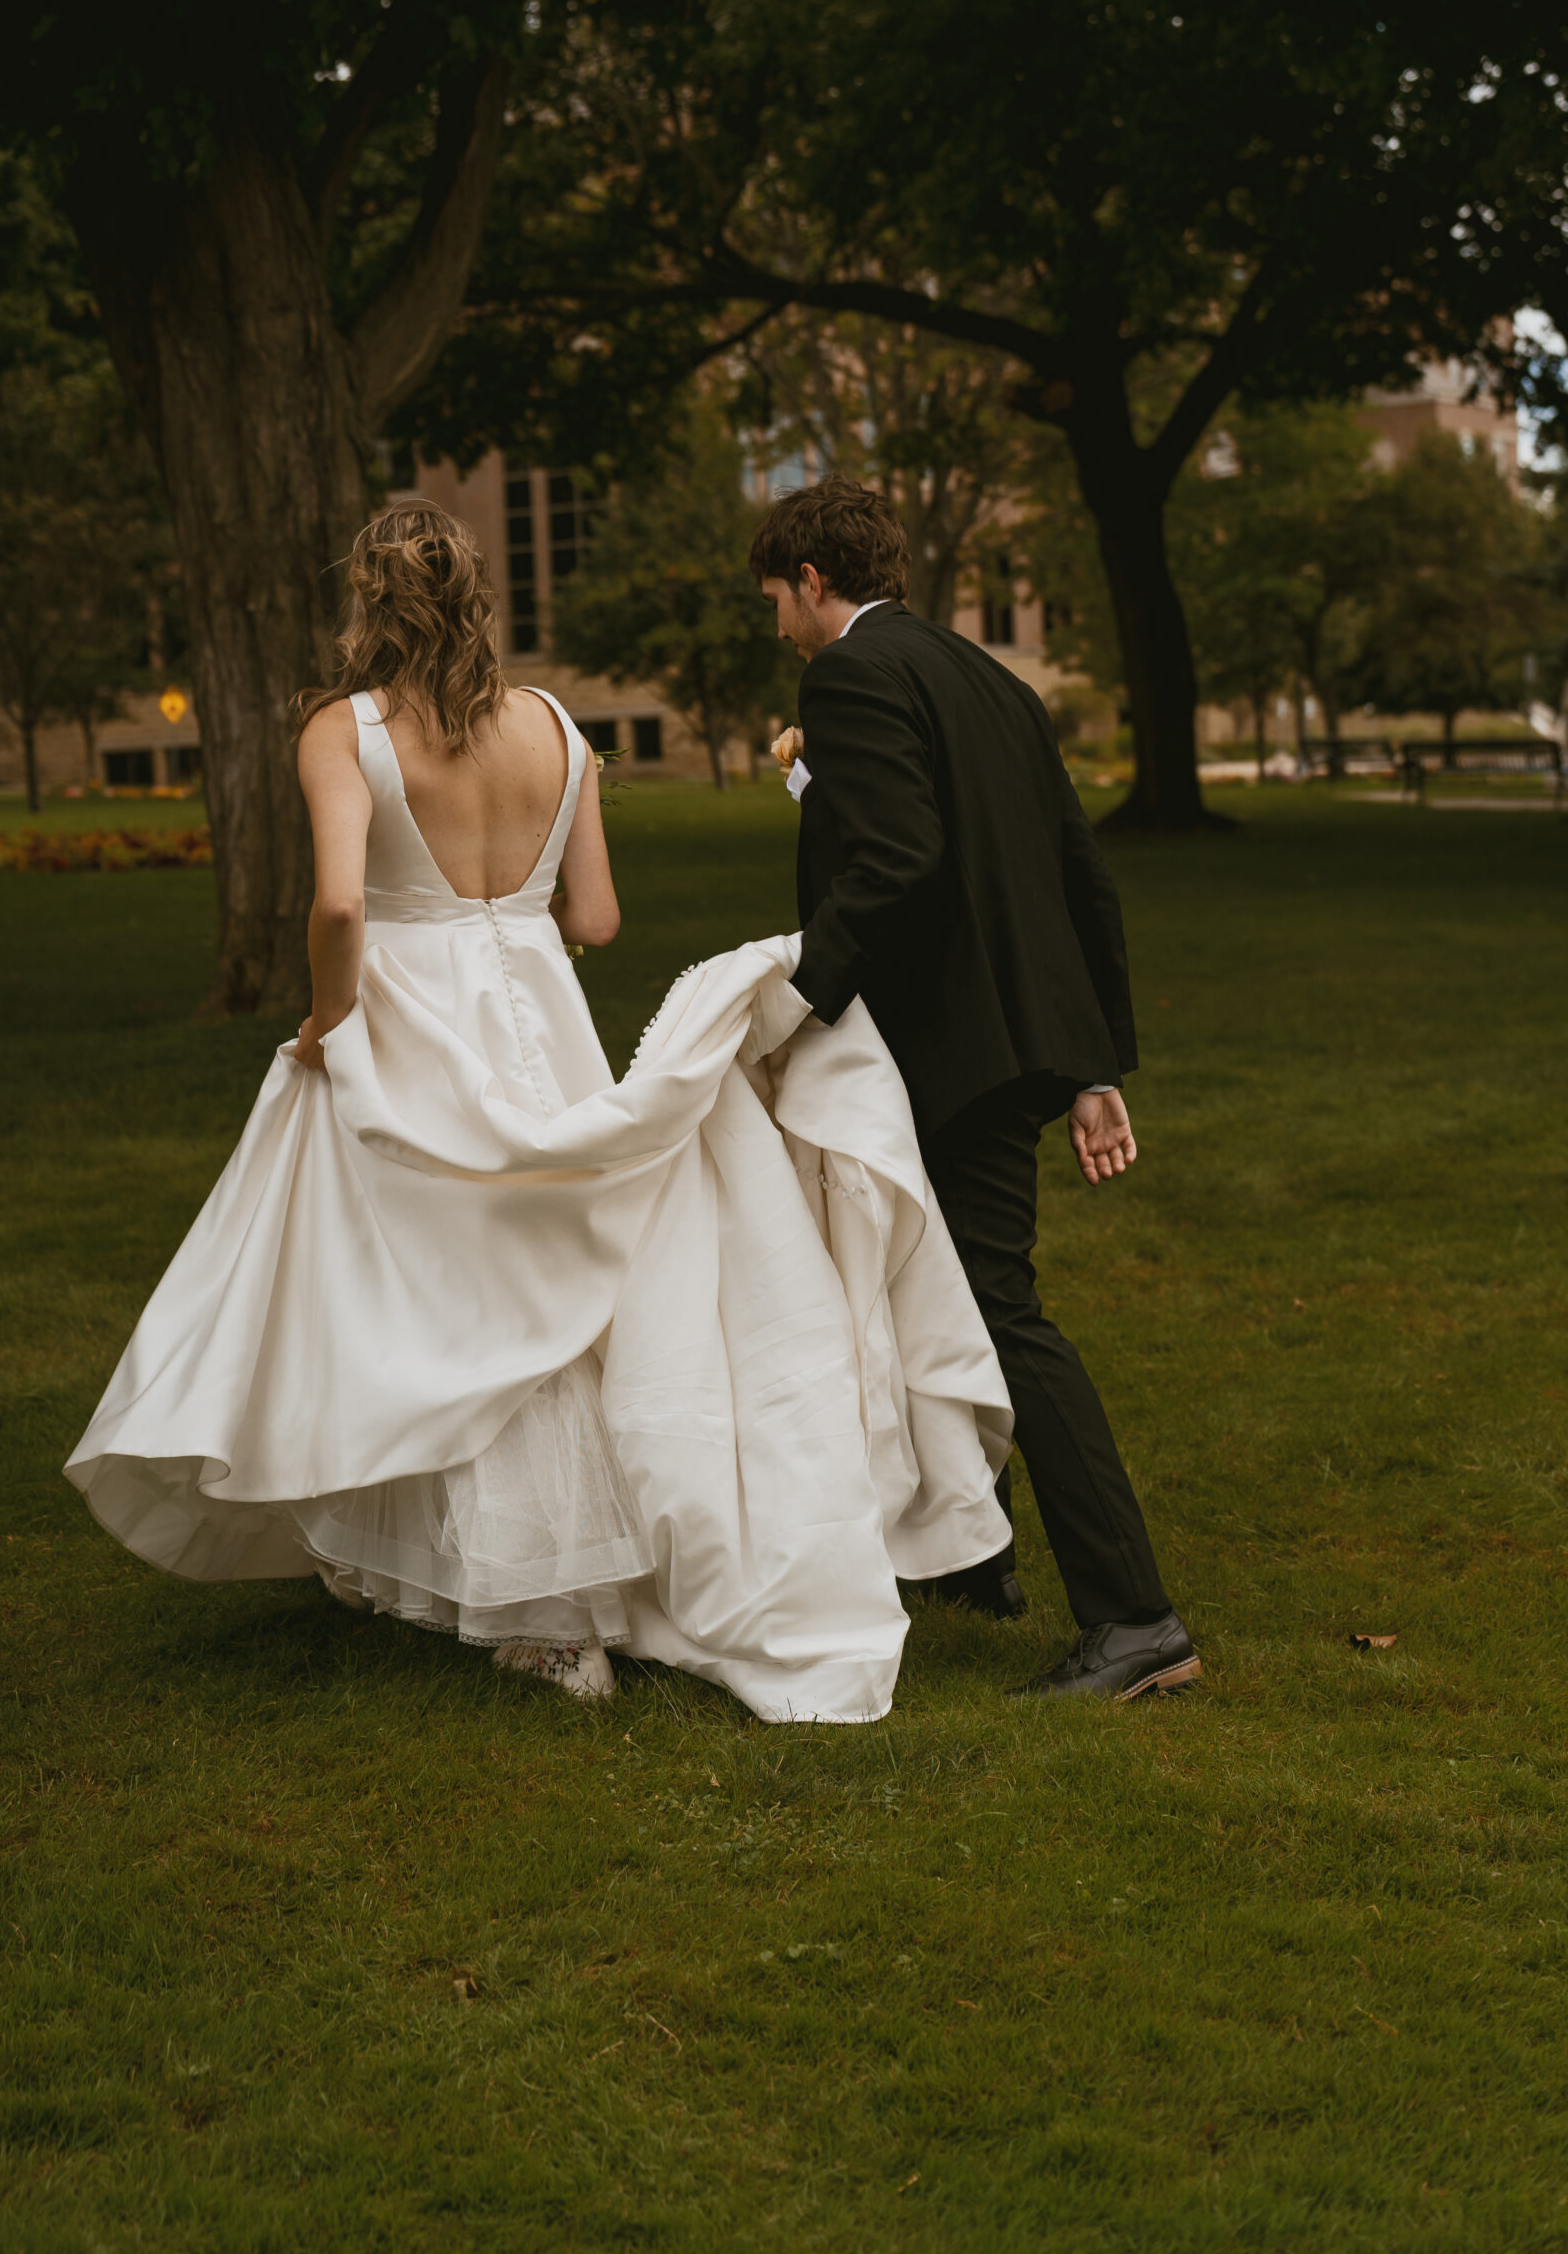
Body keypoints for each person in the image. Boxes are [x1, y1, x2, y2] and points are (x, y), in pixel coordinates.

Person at [66, 500, 1016, 1723]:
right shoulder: (558, 728)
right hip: (538, 1012)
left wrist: (326, 1022)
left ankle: (537, 1602)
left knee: (427, 1292)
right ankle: (542, 1566)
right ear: (476, 597)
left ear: (368, 600)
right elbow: (601, 920)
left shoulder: (342, 728)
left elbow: (343, 908)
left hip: (407, 1019)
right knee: (560, 1290)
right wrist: (508, 923)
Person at [754, 475, 1200, 1701]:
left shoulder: (846, 675)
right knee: (928, 1291)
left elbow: (900, 859)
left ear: (810, 580)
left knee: (1000, 1312)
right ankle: (976, 1558)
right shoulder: (993, 679)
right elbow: (1078, 874)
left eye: (775, 602)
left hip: (947, 1047)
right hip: (1018, 1041)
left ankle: (1137, 1616)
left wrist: (798, 1002)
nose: (778, 629)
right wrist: (1094, 1061)